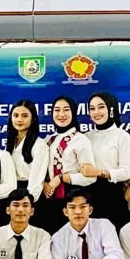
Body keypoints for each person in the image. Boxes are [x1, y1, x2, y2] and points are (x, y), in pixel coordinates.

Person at [38, 95, 94, 232]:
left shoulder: (81, 140)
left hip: (72, 200)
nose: (61, 114)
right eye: (57, 110)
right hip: (48, 198)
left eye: (66, 110)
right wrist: (44, 183)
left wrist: (62, 178)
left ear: (73, 112)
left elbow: (90, 177)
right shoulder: (48, 140)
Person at [78, 90, 130, 223]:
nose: (96, 112)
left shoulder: (122, 135)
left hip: (112, 195)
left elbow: (126, 172)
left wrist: (99, 172)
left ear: (111, 109)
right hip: (88, 195)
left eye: (101, 107)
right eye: (92, 108)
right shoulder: (86, 137)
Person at [4, 100, 47, 203]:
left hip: (30, 194)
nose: (19, 119)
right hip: (11, 192)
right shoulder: (10, 143)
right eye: (15, 115)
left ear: (33, 118)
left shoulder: (39, 144)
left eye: (24, 116)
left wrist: (28, 202)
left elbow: (37, 180)